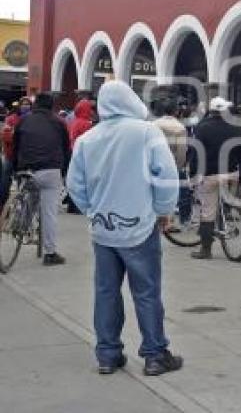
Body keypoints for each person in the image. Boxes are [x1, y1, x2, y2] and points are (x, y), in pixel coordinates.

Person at [66, 81, 183, 376]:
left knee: (106, 291)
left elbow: (74, 185)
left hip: (103, 228)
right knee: (146, 292)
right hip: (140, 226)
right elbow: (166, 175)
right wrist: (163, 211)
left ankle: (107, 354)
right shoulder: (146, 133)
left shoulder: (88, 139)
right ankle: (155, 354)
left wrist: (92, 210)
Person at [12, 93, 71, 266]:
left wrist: (17, 168)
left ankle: (21, 224)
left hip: (27, 169)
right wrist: (64, 172)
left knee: (29, 195)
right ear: (52, 106)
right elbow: (66, 149)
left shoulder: (23, 121)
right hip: (50, 170)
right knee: (49, 213)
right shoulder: (59, 123)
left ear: (34, 105)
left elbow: (16, 146)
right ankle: (50, 253)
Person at [190, 96, 241, 260]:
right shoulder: (235, 127)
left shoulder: (202, 128)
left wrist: (194, 174)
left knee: (207, 212)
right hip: (231, 173)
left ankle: (206, 249)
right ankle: (227, 212)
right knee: (225, 200)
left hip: (211, 175)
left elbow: (196, 154)